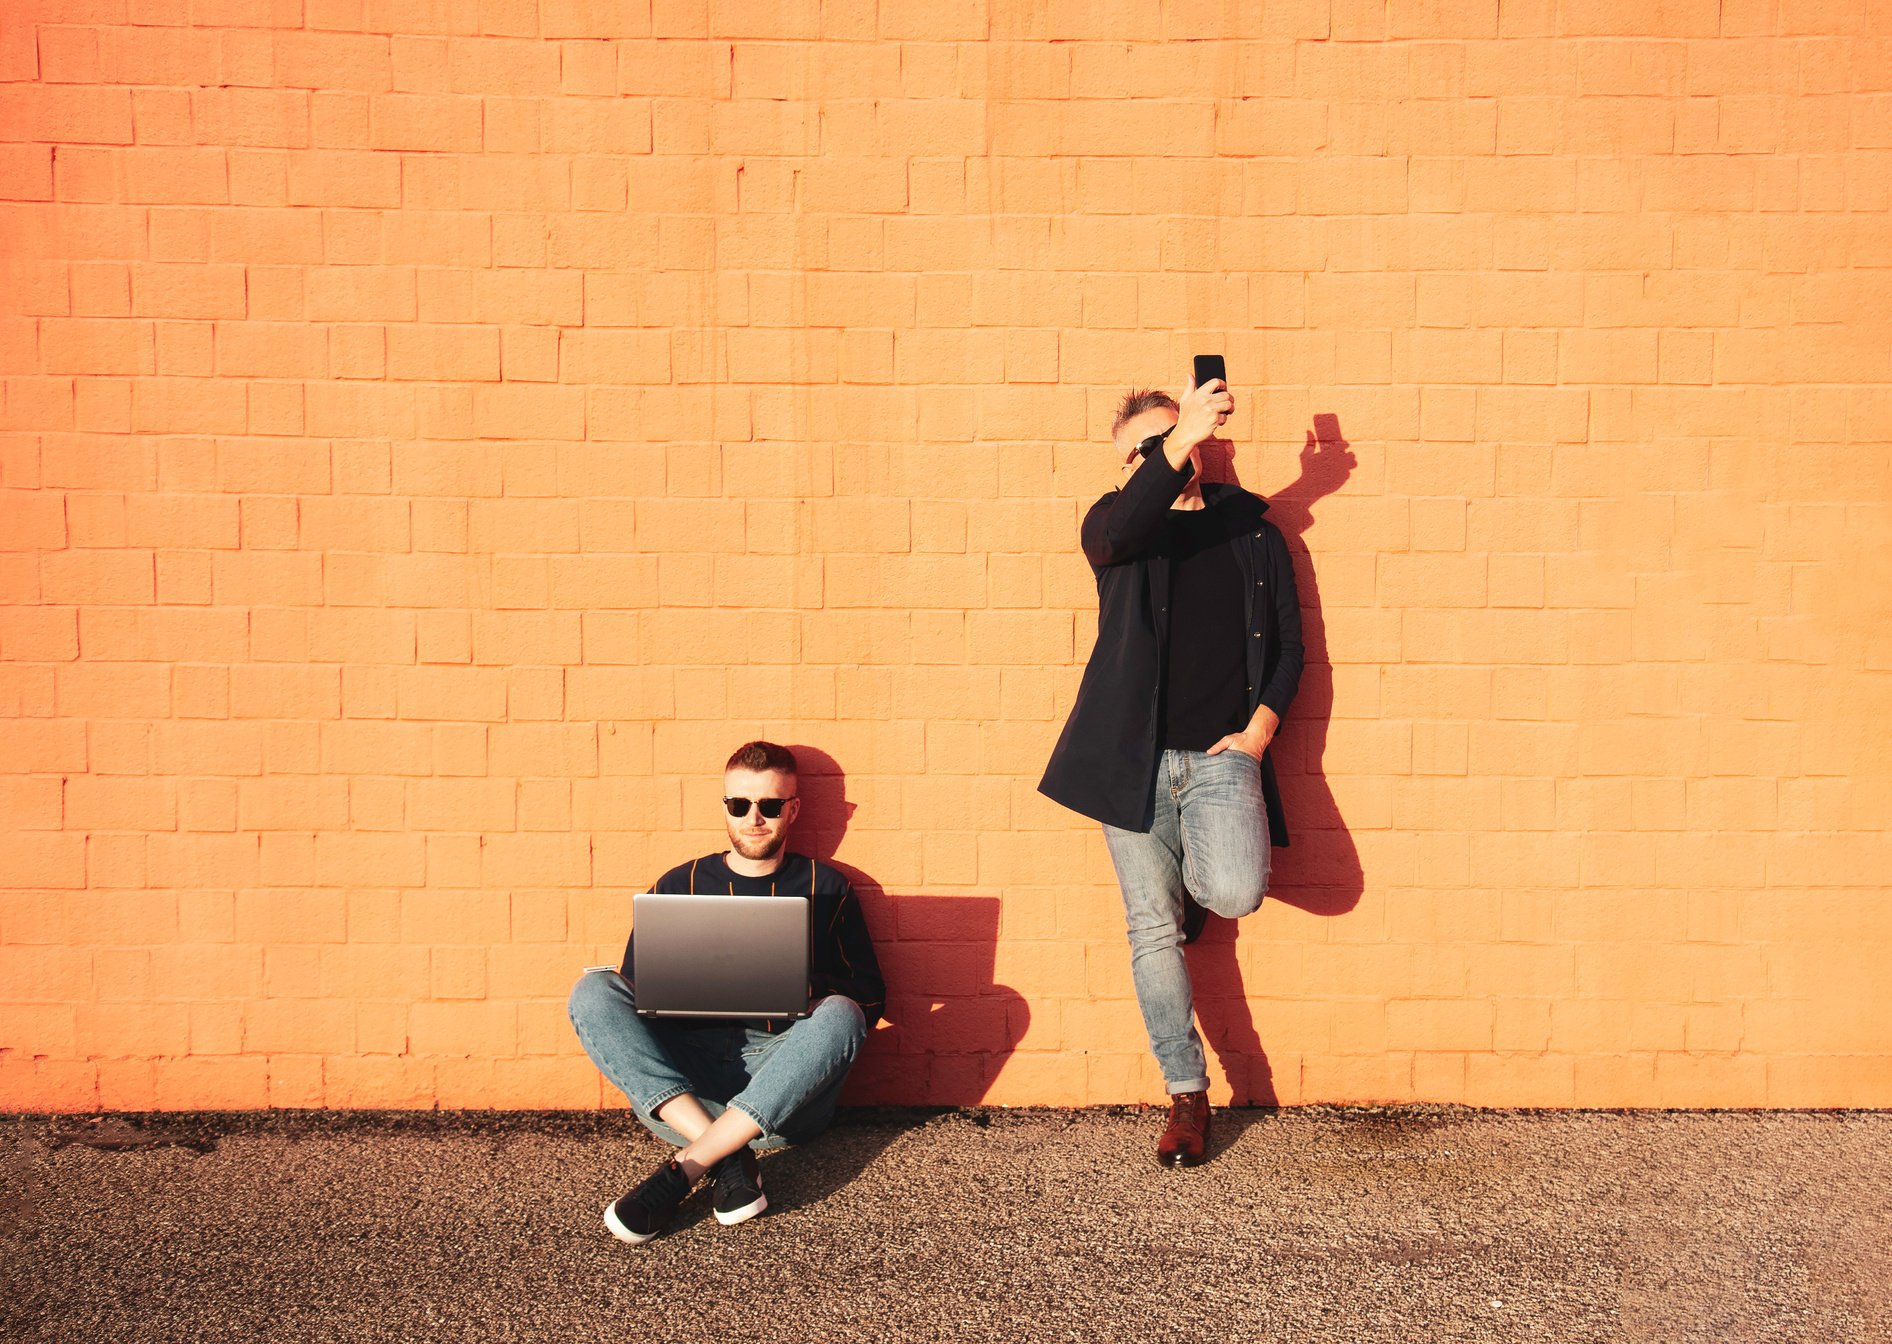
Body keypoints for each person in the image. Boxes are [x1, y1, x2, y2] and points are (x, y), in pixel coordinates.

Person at [1038, 377, 1303, 1167]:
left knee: (1234, 892)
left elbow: (1288, 645)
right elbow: (1120, 530)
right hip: (1129, 764)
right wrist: (1173, 443)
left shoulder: (1253, 532)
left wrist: (1259, 731)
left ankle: (1189, 875)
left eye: (1172, 438)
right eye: (1142, 451)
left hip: (1222, 756)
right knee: (1150, 928)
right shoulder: (1118, 527)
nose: (1160, 457)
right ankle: (1187, 1093)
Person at [568, 741, 885, 1242]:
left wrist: (812, 990)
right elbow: (634, 992)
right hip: (686, 1091)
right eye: (739, 804)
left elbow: (871, 1000)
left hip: (782, 1088)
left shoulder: (828, 887)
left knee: (843, 1013)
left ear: (793, 808)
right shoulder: (679, 884)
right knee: (593, 990)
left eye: (770, 805)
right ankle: (725, 1152)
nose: (754, 818)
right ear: (725, 807)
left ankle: (688, 1168)